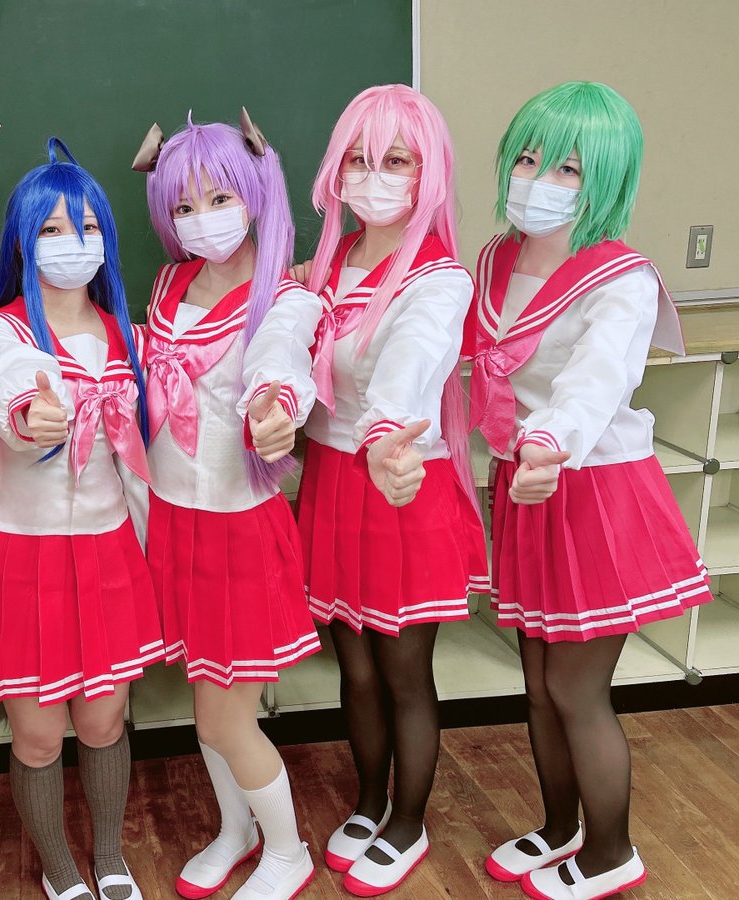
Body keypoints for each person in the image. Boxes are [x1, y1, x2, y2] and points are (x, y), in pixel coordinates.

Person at [469, 80, 709, 900]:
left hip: (592, 489)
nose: (538, 180)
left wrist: (546, 442)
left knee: (576, 688)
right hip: (525, 485)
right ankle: (560, 826)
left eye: (567, 169)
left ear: (605, 179)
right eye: (528, 159)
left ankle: (611, 853)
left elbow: (594, 384)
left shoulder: (621, 279)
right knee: (538, 680)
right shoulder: (497, 257)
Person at [295, 84, 487, 896]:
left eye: (396, 160)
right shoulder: (326, 264)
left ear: (427, 172)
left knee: (404, 672)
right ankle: (369, 800)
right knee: (357, 667)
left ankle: (408, 820)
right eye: (358, 159)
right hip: (332, 480)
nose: (373, 177)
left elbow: (411, 365)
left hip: (400, 477)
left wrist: (383, 435)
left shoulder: (439, 278)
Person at [0, 138, 159, 900]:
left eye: (87, 226)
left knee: (105, 723)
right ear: (21, 239)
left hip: (108, 552)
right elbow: (10, 380)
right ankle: (59, 867)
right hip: (24, 556)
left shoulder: (128, 334)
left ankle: (108, 855)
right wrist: (31, 411)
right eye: (50, 228)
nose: (72, 242)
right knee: (39, 735)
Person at [134, 111, 320, 900]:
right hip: (175, 519)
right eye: (183, 205)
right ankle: (236, 829)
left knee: (222, 718)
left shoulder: (285, 296)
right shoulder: (169, 283)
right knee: (203, 693)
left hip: (239, 525)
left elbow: (282, 363)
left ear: (254, 194)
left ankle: (288, 850)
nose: (200, 218)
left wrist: (278, 409)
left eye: (217, 198)